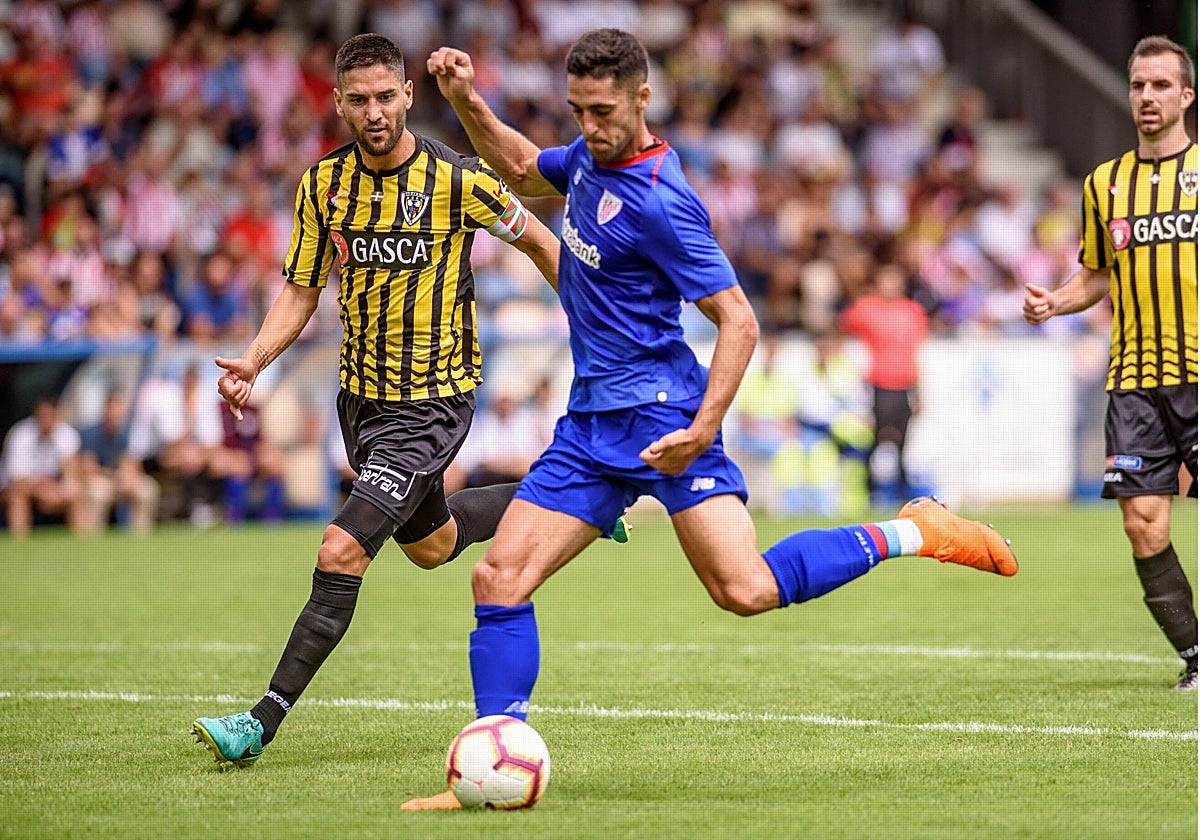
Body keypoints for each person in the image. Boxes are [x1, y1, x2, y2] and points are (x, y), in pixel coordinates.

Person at [403, 28, 1019, 809]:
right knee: (497, 577)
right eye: (578, 110)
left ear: (642, 98)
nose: (588, 126)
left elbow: (739, 321)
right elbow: (525, 168)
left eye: (602, 111)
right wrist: (464, 101)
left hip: (666, 421)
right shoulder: (589, 159)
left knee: (746, 589)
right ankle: (491, 762)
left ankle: (915, 532)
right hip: (591, 428)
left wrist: (701, 429)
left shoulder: (664, 201)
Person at [190, 33, 600, 769]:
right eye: (360, 99)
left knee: (341, 548)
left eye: (387, 96)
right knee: (434, 547)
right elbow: (302, 287)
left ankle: (260, 720)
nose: (375, 111)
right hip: (362, 406)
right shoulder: (323, 186)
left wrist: (599, 329)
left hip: (434, 403)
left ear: (409, 95)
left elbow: (540, 241)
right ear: (339, 103)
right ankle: (580, 498)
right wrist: (254, 358)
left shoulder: (459, 179)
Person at [1023, 36, 1197, 691]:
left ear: (1186, 95)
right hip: (1133, 383)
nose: (1146, 98)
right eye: (1138, 86)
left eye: (1160, 86)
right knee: (1141, 521)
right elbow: (1096, 274)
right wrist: (1054, 304)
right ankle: (1197, 657)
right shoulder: (1106, 183)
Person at [838, 261, 929, 505]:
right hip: (878, 385)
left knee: (902, 446)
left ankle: (901, 497)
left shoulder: (913, 312)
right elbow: (845, 323)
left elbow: (915, 353)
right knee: (874, 441)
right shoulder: (868, 308)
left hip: (904, 386)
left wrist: (919, 391)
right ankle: (868, 494)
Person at [1, 395, 87, 537]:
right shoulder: (20, 434)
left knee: (76, 494)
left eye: (50, 416)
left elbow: (71, 475)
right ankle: (20, 542)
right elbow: (18, 481)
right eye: (43, 416)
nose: (46, 421)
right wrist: (42, 493)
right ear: (35, 416)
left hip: (53, 489)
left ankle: (82, 543)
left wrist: (59, 490)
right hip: (25, 488)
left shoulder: (67, 434)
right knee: (17, 497)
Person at [79, 389, 160, 531]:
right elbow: (89, 468)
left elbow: (131, 462)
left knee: (148, 489)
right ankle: (92, 538)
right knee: (98, 493)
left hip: (120, 479)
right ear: (106, 411)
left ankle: (140, 539)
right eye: (112, 411)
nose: (116, 415)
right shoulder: (90, 434)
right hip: (101, 480)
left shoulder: (128, 433)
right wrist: (115, 476)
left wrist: (127, 479)